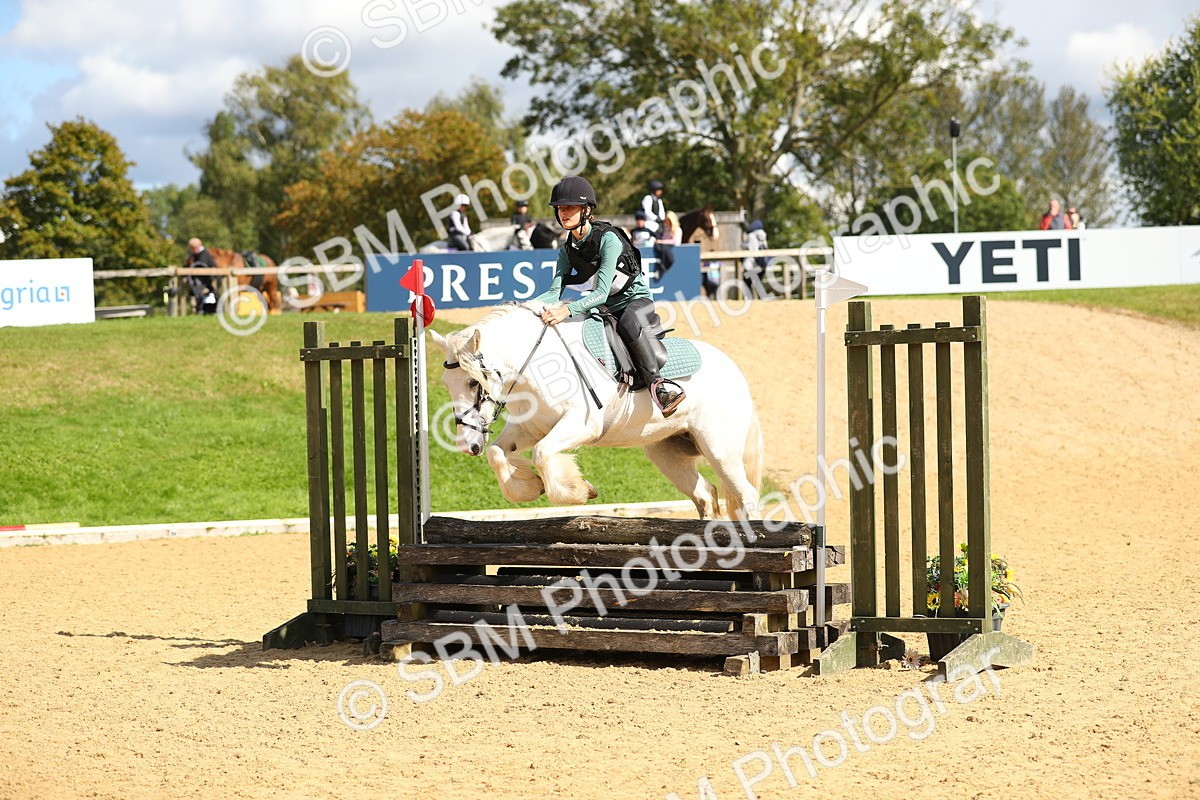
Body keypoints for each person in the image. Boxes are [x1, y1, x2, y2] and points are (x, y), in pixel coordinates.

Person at [536, 175, 686, 416]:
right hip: (604, 307)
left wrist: (567, 309)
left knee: (627, 321)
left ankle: (659, 385)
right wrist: (525, 306)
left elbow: (601, 293)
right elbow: (554, 292)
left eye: (570, 207)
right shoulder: (567, 250)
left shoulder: (608, 239)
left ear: (586, 210)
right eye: (560, 208)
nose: (563, 213)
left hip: (636, 301)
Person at [185, 237, 218, 315]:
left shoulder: (203, 256)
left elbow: (200, 269)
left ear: (194, 248)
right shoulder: (199, 255)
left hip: (205, 284)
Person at [742, 219, 769, 297]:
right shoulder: (763, 235)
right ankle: (762, 299)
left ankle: (749, 299)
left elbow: (752, 248)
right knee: (757, 282)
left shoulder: (751, 235)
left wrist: (743, 245)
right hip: (762, 263)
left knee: (747, 282)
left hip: (751, 264)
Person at [653, 210, 681, 275]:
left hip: (670, 248)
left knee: (663, 247)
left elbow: (676, 242)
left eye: (667, 220)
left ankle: (666, 263)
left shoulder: (677, 229)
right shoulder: (666, 229)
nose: (665, 222)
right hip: (664, 247)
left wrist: (662, 242)